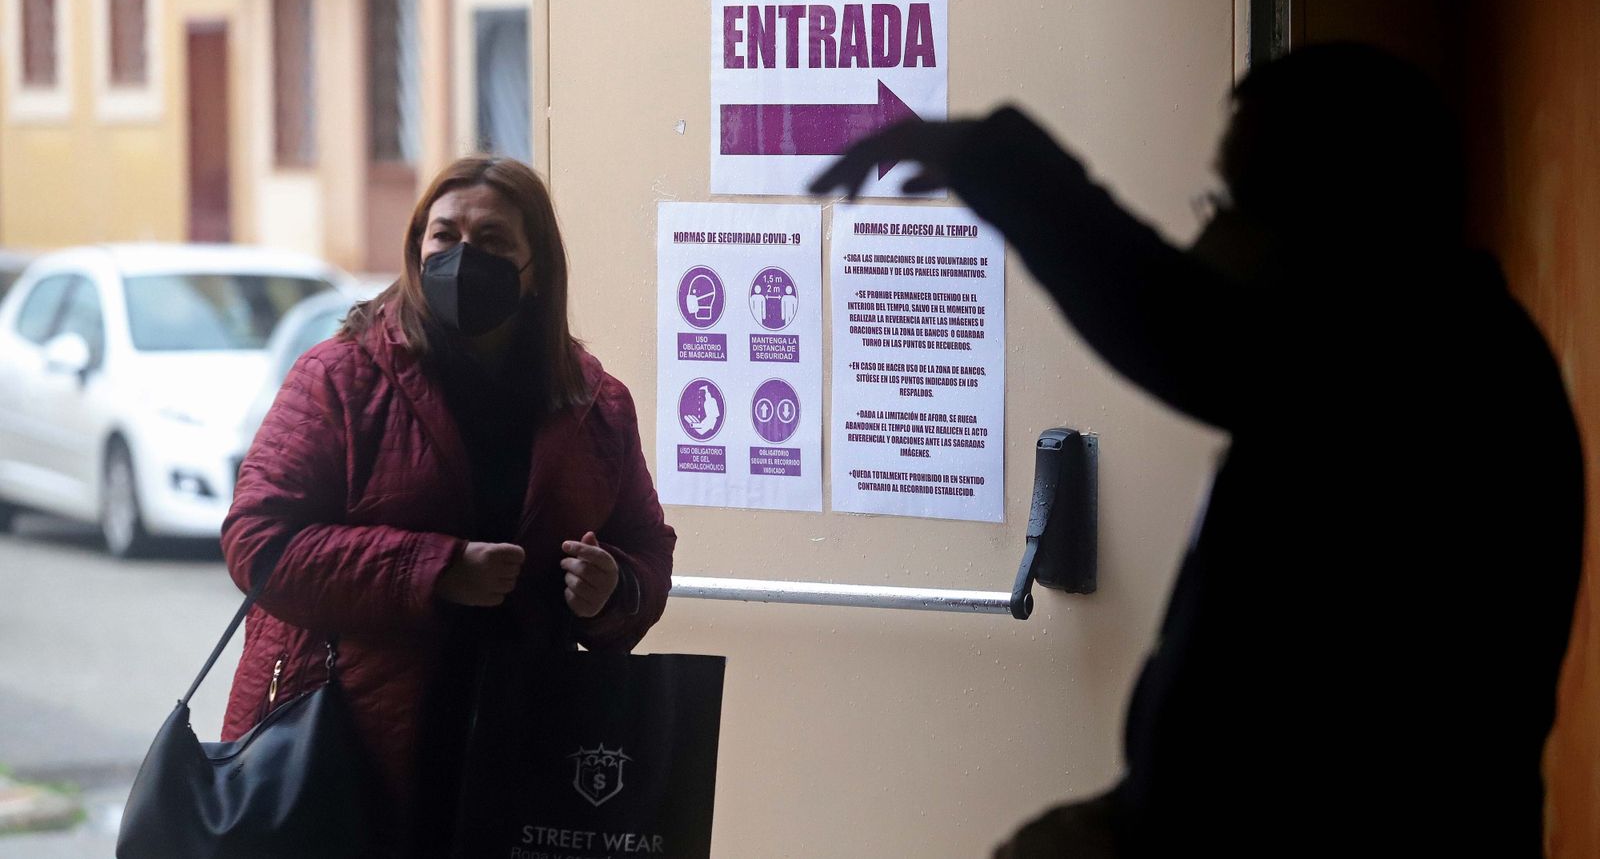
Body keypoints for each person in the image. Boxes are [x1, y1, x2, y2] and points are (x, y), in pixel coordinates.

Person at [813, 43, 1583, 857]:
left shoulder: (1433, 374)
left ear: (1340, 211)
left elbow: (1179, 329)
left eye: (1234, 200)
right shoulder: (1424, 359)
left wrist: (986, 160)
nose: (1210, 230)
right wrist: (1130, 811)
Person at [221, 156, 675, 856]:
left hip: (522, 754)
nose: (464, 257)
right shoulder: (340, 377)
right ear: (416, 247)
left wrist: (615, 587)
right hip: (341, 753)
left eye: (493, 240)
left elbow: (646, 551)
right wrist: (433, 569)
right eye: (444, 235)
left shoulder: (596, 404)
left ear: (536, 271)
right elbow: (258, 543)